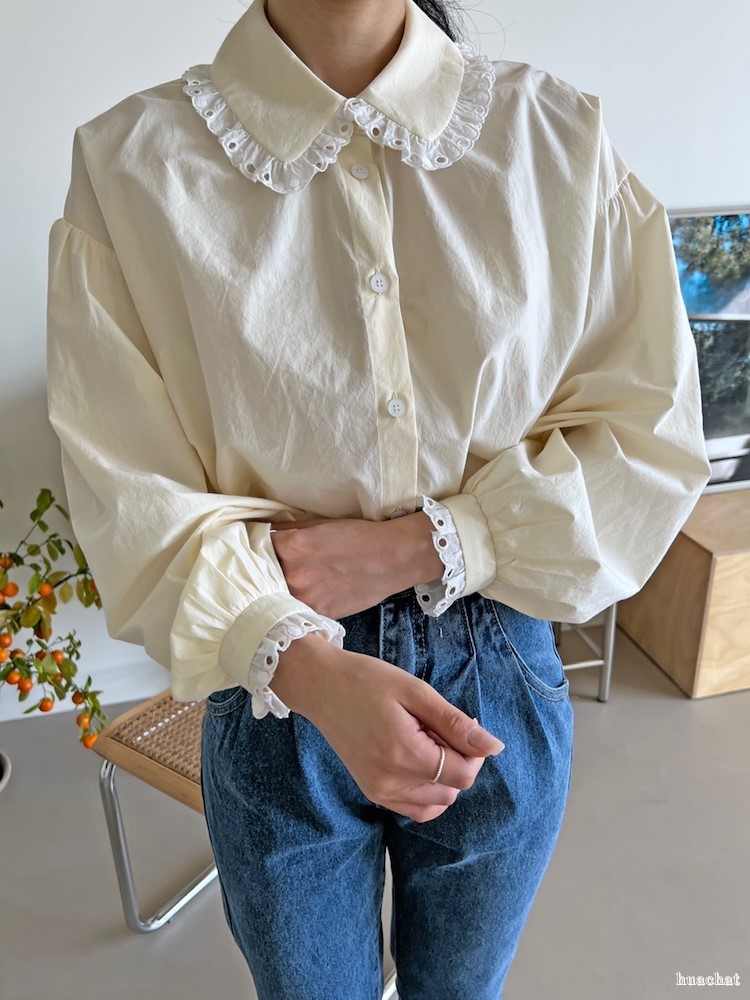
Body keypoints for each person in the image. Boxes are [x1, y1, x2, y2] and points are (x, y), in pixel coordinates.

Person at [46, 0, 711, 997]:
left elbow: (647, 434)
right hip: (276, 677)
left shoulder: (556, 139)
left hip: (497, 652)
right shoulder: (132, 166)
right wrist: (306, 664)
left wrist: (429, 544)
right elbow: (126, 490)